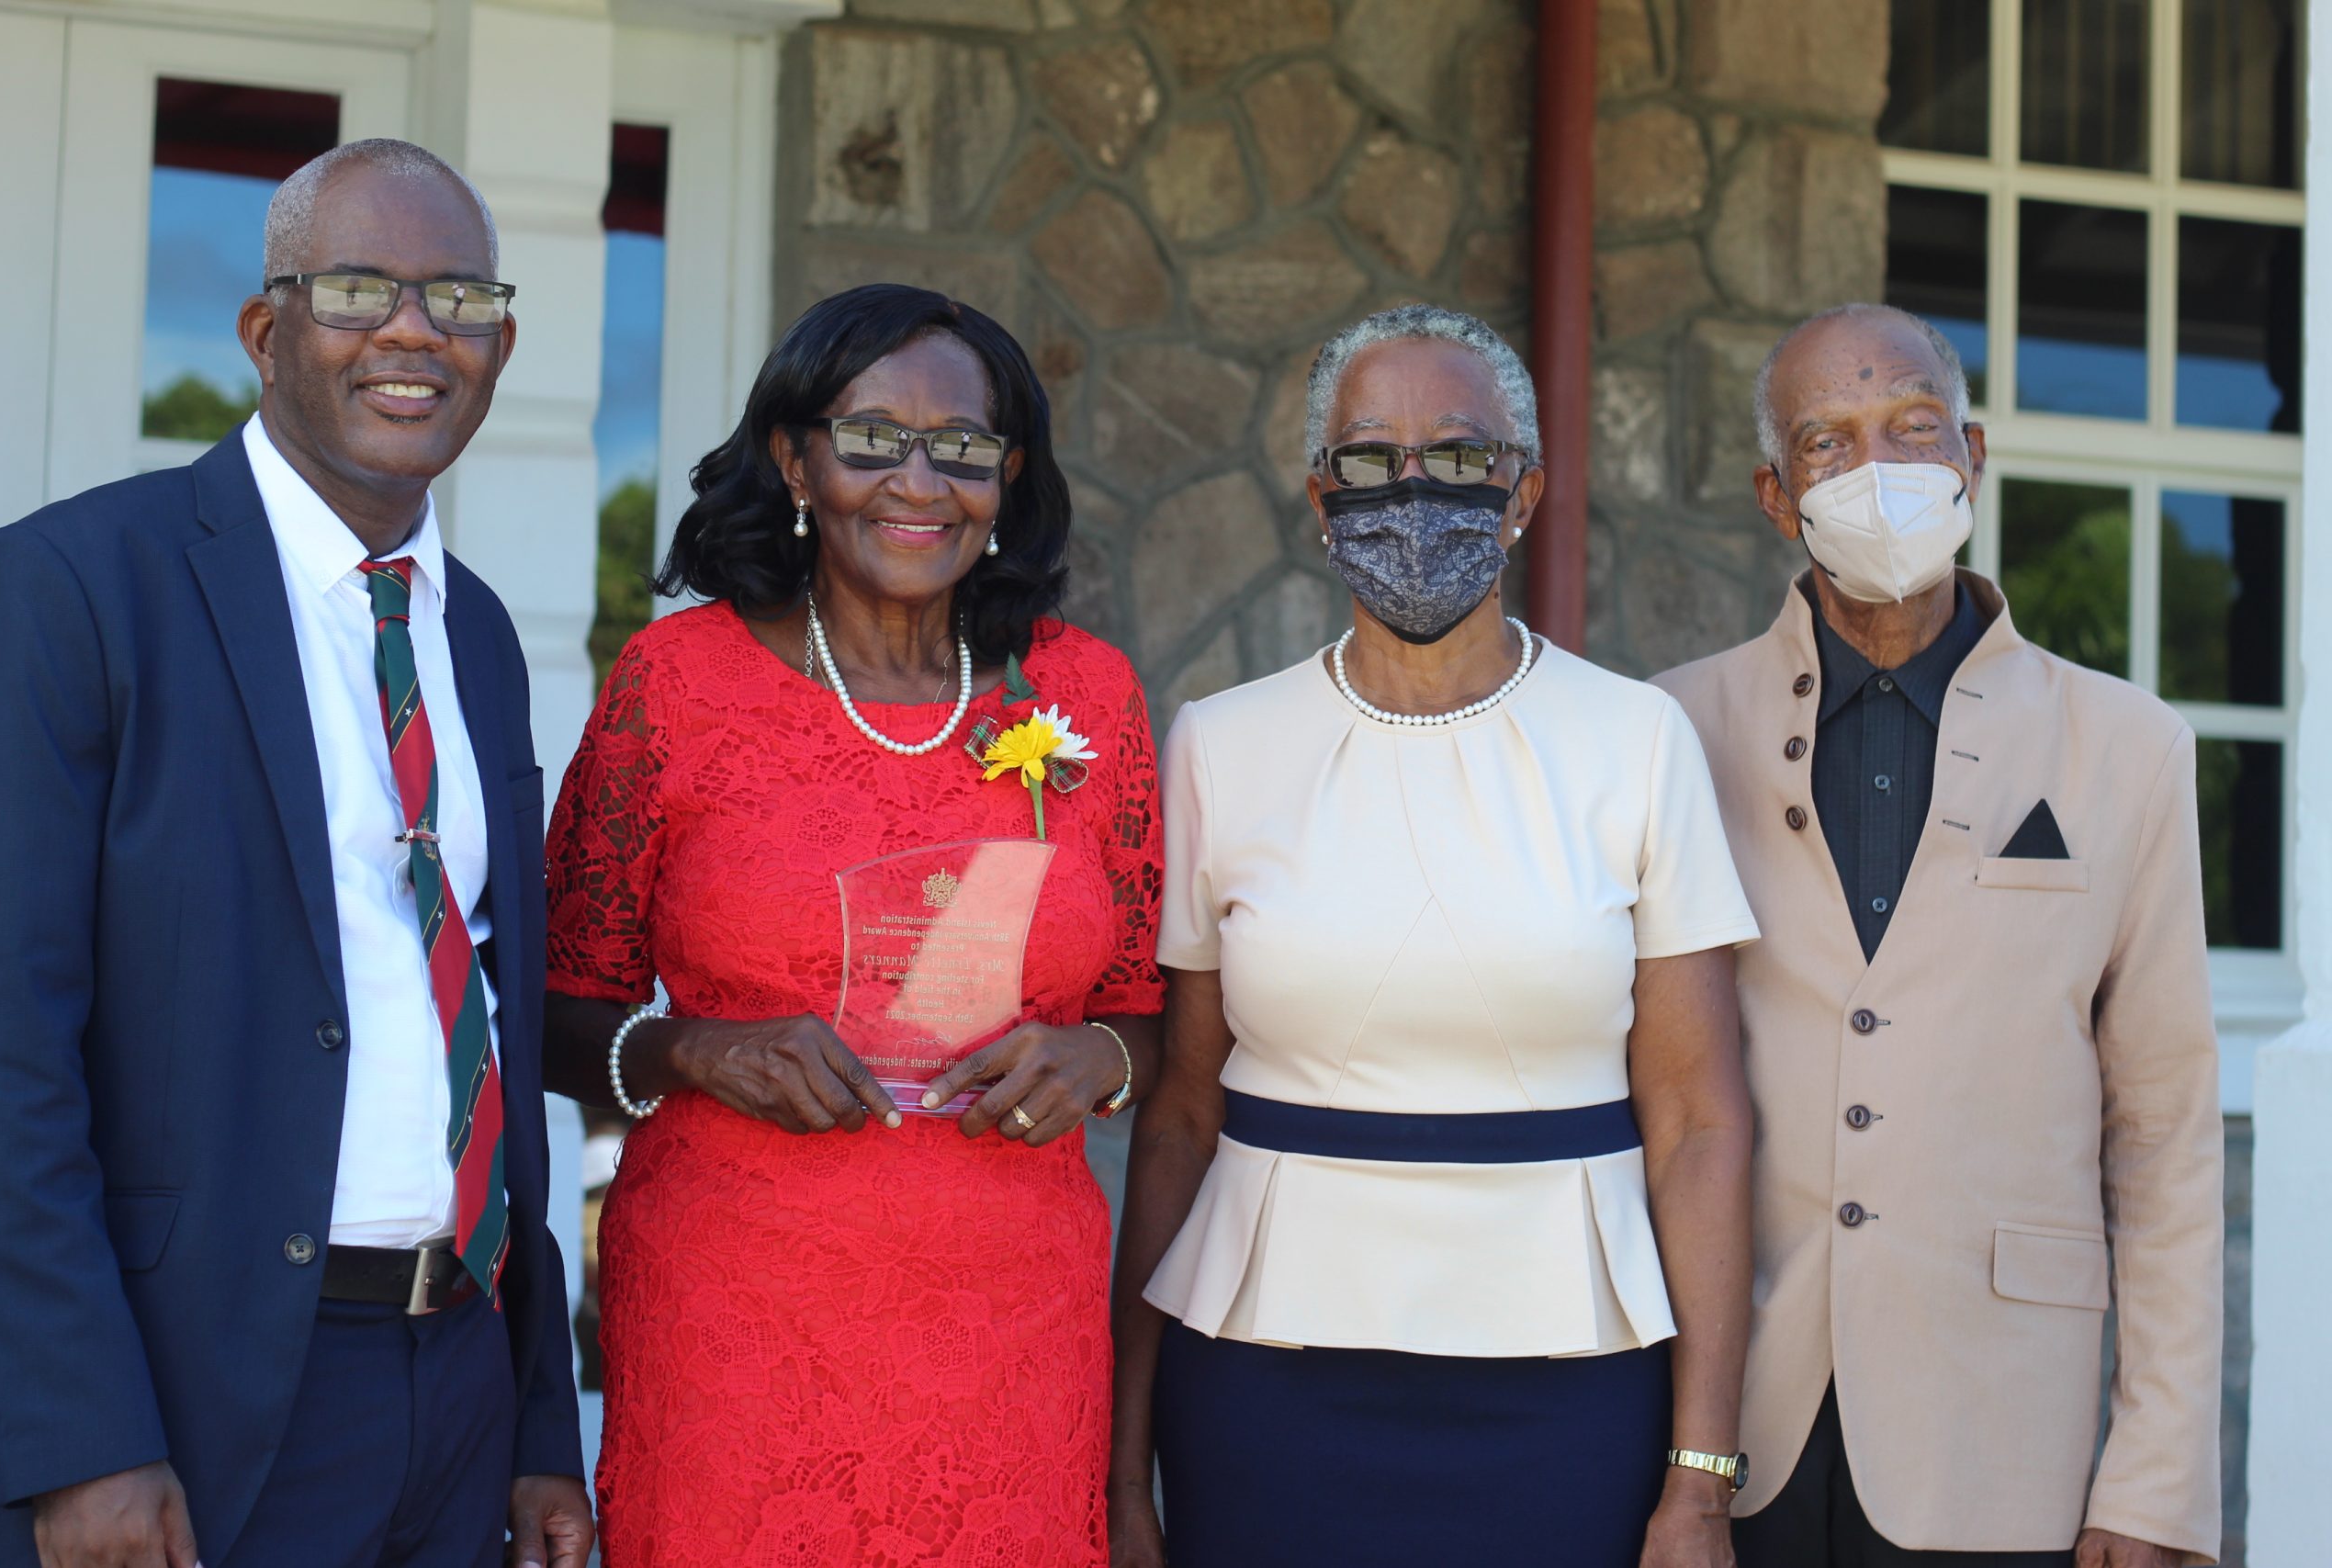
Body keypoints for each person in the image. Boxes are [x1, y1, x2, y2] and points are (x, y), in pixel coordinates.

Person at [0, 139, 590, 1568]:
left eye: (460, 299)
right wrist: (81, 1435)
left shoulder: (479, 633)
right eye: (361, 288)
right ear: (266, 332)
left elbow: (483, 1025)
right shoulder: (71, 590)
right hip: (190, 1394)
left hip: (455, 1387)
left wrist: (536, 1425)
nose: (415, 331)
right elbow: (2, 1052)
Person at [1108, 304, 1761, 1568]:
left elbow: (1701, 1122)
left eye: (1460, 456)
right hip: (1264, 1382)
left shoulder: (1635, 743)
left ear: (1524, 492)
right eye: (1368, 458)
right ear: (1317, 497)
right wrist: (1124, 1462)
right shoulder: (1217, 746)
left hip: (1571, 1383)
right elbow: (1180, 1116)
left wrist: (1701, 1477)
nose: (1412, 491)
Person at [542, 282, 1164, 1566]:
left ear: (1011, 475)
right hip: (738, 1329)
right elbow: (554, 1016)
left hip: (1013, 1329)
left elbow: (1146, 1018)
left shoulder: (1088, 692)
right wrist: (692, 1052)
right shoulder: (675, 686)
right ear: (794, 460)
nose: (918, 480)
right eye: (872, 438)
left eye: (965, 447)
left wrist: (1094, 1062)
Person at [1654, 302, 2223, 1568]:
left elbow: (2166, 1132)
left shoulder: (2127, 749)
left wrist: (2159, 1476)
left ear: (1971, 453)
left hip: (1999, 1428)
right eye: (1830, 442)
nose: (1880, 469)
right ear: (1772, 493)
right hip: (1729, 1425)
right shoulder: (1666, 734)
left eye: (1913, 428)